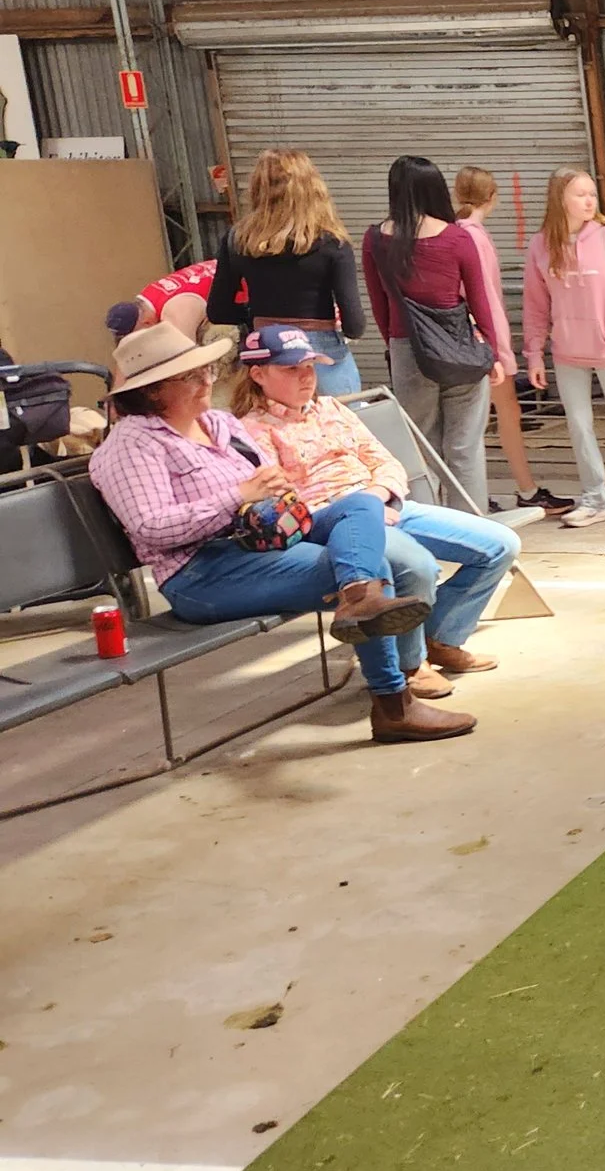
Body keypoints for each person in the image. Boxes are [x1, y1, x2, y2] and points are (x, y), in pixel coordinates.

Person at [87, 325, 471, 743]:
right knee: (363, 569)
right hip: (203, 571)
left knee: (360, 507)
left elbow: (271, 487)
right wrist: (237, 497)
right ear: (152, 392)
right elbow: (150, 527)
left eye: (208, 371)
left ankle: (363, 598)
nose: (207, 382)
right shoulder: (132, 444)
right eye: (191, 376)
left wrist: (276, 489)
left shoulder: (217, 424)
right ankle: (393, 702)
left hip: (265, 537)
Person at [228, 324, 519, 703]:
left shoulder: (332, 408)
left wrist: (377, 497)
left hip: (385, 505)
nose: (306, 377)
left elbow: (385, 461)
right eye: (291, 369)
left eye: (311, 367)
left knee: (500, 544)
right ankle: (410, 665)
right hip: (339, 524)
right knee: (417, 567)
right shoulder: (250, 432)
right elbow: (284, 501)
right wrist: (362, 512)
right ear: (258, 374)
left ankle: (441, 636)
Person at [362, 155, 503, 514]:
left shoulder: (376, 239)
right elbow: (480, 300)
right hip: (461, 350)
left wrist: (397, 345)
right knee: (465, 445)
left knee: (419, 444)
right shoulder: (457, 238)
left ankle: (432, 528)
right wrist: (495, 353)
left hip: (408, 349)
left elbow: (380, 304)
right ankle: (474, 529)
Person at [524, 168, 605, 527]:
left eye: (591, 194)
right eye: (579, 194)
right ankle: (595, 499)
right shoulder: (541, 245)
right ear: (559, 199)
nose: (588, 201)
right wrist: (534, 352)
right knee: (579, 425)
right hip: (567, 351)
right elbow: (536, 305)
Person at [453, 167, 571, 516]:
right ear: (493, 197)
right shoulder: (475, 238)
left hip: (461, 341)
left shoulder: (454, 232)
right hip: (482, 342)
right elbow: (487, 298)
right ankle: (524, 489)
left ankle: (473, 490)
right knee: (502, 414)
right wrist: (502, 350)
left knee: (475, 420)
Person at [206, 148, 368, 395]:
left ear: (258, 189)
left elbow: (218, 311)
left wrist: (256, 315)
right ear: (313, 188)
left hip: (266, 354)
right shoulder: (333, 243)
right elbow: (355, 325)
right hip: (323, 357)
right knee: (343, 426)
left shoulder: (237, 240)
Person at [106, 259, 234, 345]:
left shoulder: (175, 312)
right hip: (228, 264)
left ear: (147, 322)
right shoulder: (148, 295)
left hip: (244, 282)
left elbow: (187, 361)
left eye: (139, 337)